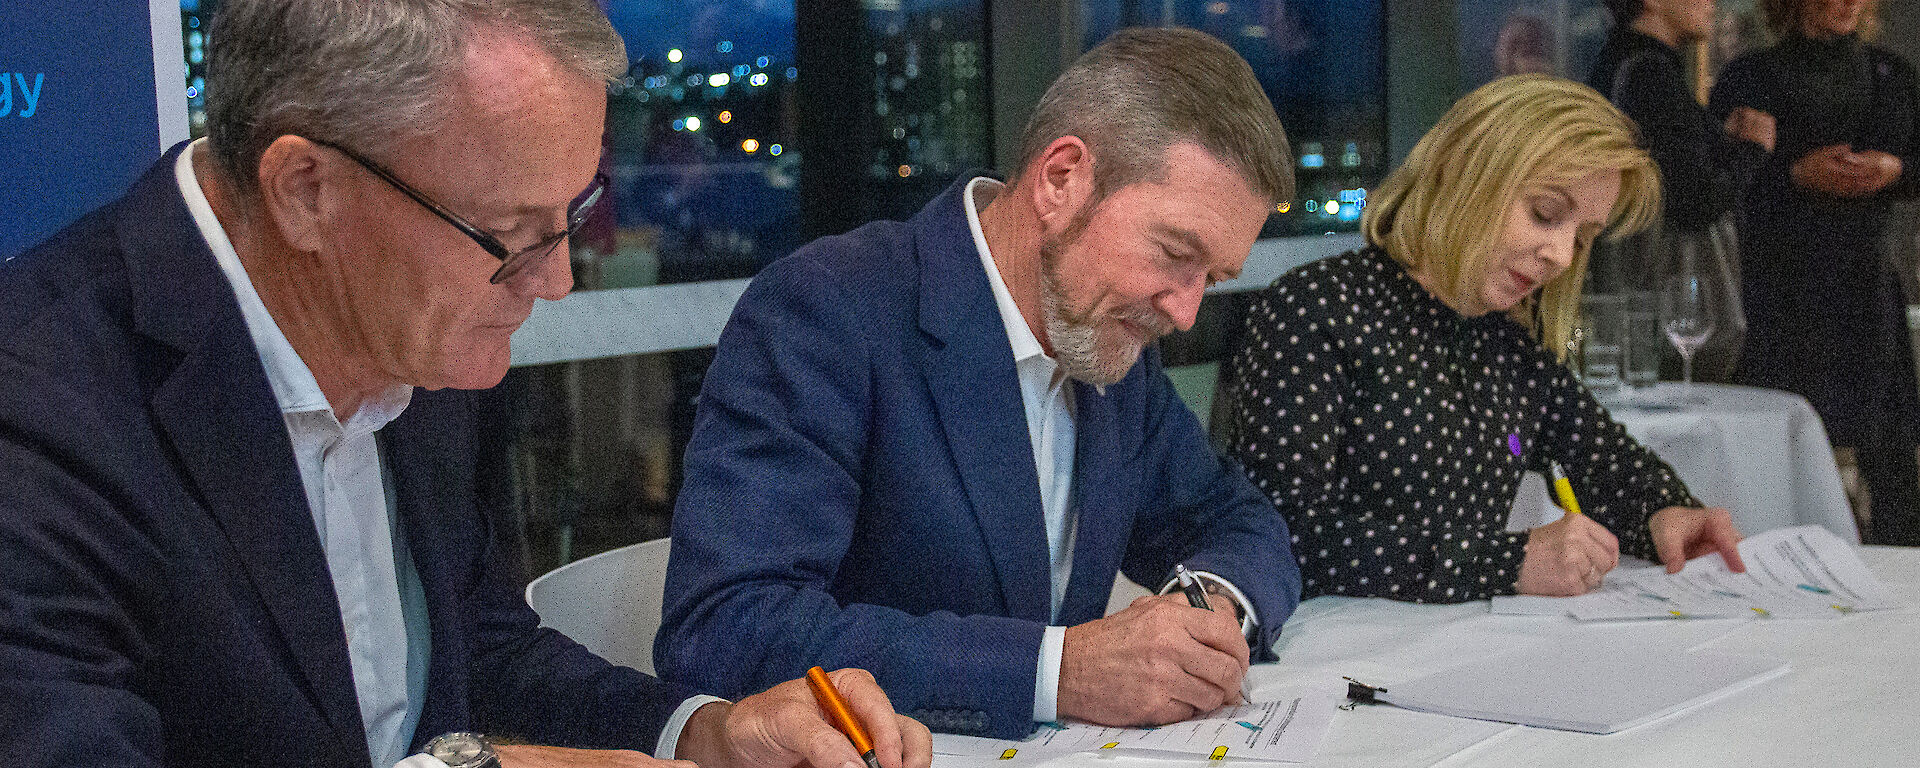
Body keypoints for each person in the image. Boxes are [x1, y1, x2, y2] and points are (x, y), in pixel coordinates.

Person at [0, 2, 932, 767]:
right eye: (512, 234)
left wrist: (705, 733)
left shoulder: (410, 327)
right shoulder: (40, 407)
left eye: (571, 216)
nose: (556, 280)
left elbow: (479, 648)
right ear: (305, 191)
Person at [656, 28, 1303, 739]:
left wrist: (1204, 613)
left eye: (1210, 278)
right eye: (1175, 254)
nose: (1184, 312)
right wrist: (1060, 670)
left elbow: (1239, 522)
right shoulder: (829, 310)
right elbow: (727, 628)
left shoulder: (1110, 344)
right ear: (1061, 180)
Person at [1220, 74, 1746, 604]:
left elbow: (1601, 457)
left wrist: (1663, 511)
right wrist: (1506, 562)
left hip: (1456, 647)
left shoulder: (1507, 341)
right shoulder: (1315, 310)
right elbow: (1281, 535)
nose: (1562, 257)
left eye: (1581, 239)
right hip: (1329, 659)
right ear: (1467, 174)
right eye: (1545, 213)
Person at [1710, 0, 1920, 546]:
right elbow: (1715, 184)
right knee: (1778, 445)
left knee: (1890, 454)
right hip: (1782, 291)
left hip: (1867, 284)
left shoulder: (1893, 75)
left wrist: (1893, 169)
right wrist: (1793, 173)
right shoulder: (1752, 76)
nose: (1848, 3)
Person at [1587, 0, 1774, 260]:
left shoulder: (1627, 61)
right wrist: (1753, 148)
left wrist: (1719, 139)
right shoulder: (1649, 73)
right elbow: (1695, 203)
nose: (1712, 3)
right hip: (1657, 284)